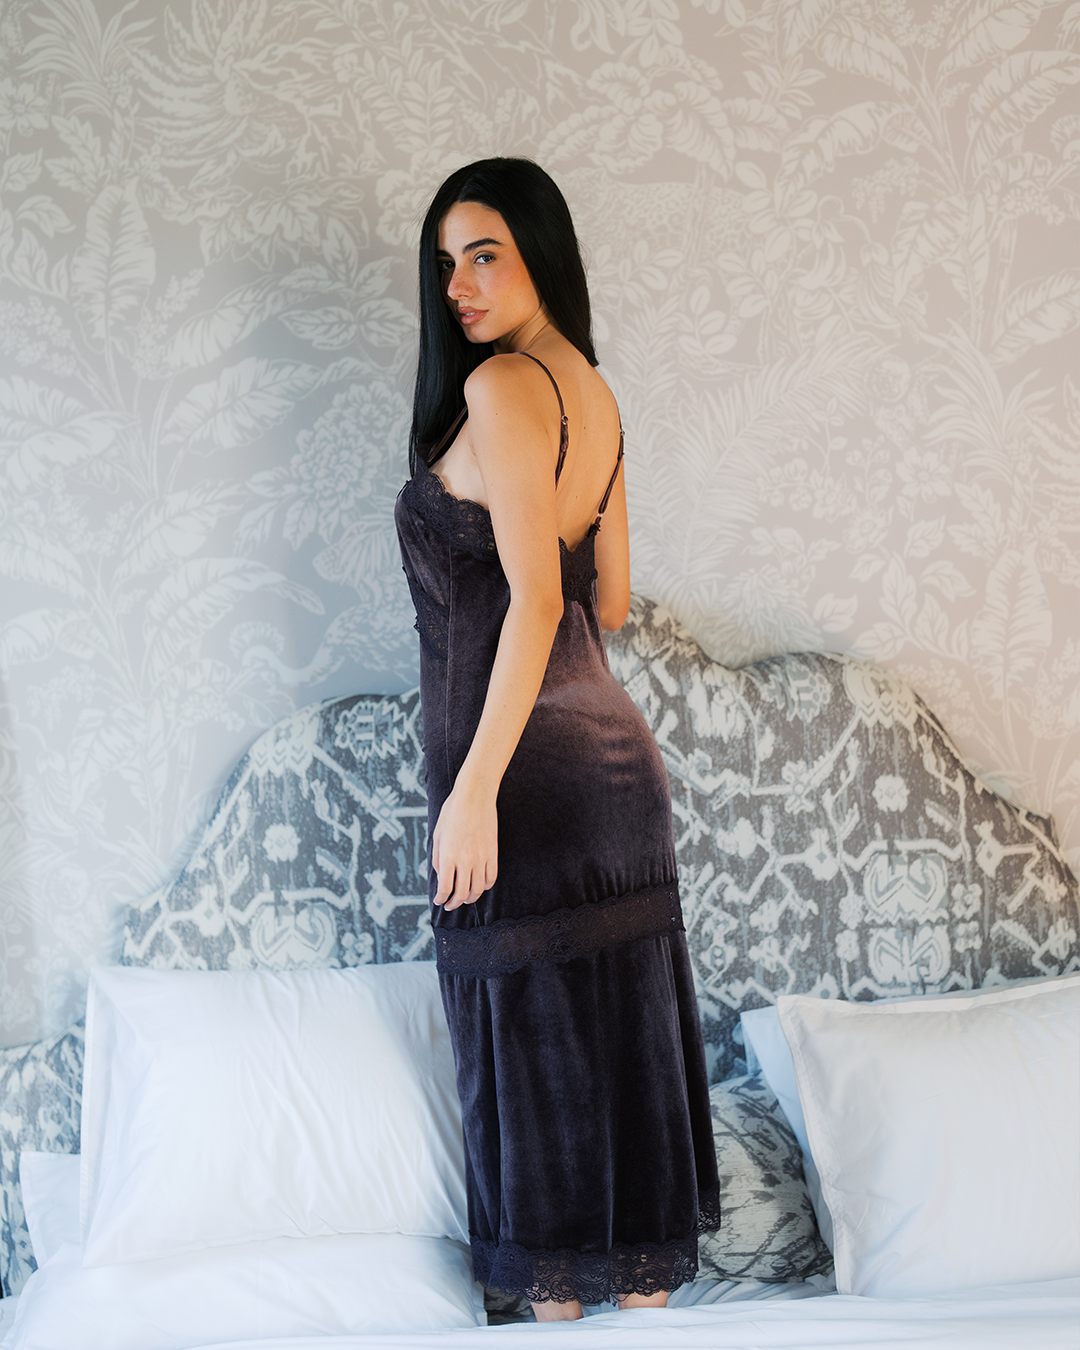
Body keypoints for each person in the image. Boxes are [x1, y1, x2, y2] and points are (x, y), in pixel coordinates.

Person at [394, 158, 719, 1321]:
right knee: (624, 1073)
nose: (460, 286)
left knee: (538, 1091)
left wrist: (472, 791)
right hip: (619, 772)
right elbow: (609, 602)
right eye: (447, 264)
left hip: (522, 777)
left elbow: (538, 603)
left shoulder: (498, 389)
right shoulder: (595, 392)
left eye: (484, 254)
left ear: (541, 249)